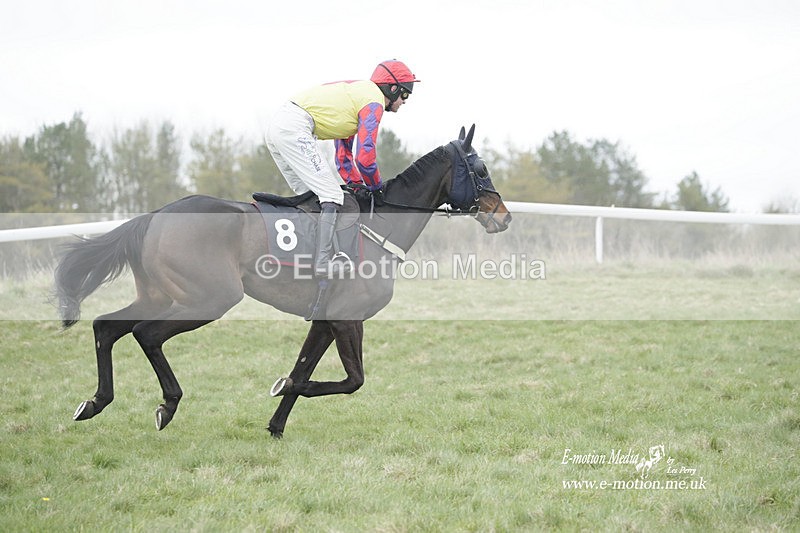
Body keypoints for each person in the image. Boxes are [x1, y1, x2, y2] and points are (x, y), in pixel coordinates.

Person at [265, 60, 420, 278]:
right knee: (332, 196)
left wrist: (356, 184)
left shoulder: (359, 96)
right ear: (392, 88)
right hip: (295, 127)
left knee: (311, 198)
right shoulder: (373, 102)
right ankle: (323, 263)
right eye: (405, 95)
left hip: (280, 126)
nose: (404, 102)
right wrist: (376, 188)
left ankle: (304, 257)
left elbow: (343, 156)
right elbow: (365, 158)